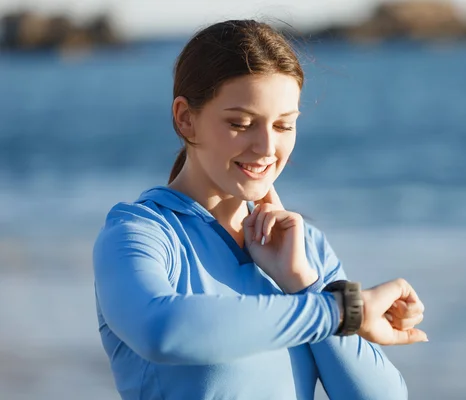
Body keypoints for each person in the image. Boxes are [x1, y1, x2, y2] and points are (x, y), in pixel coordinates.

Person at [92, 19, 427, 400]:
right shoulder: (139, 233)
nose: (267, 147)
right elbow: (162, 332)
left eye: (284, 126)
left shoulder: (304, 247)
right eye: (241, 123)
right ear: (186, 118)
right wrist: (338, 311)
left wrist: (303, 283)